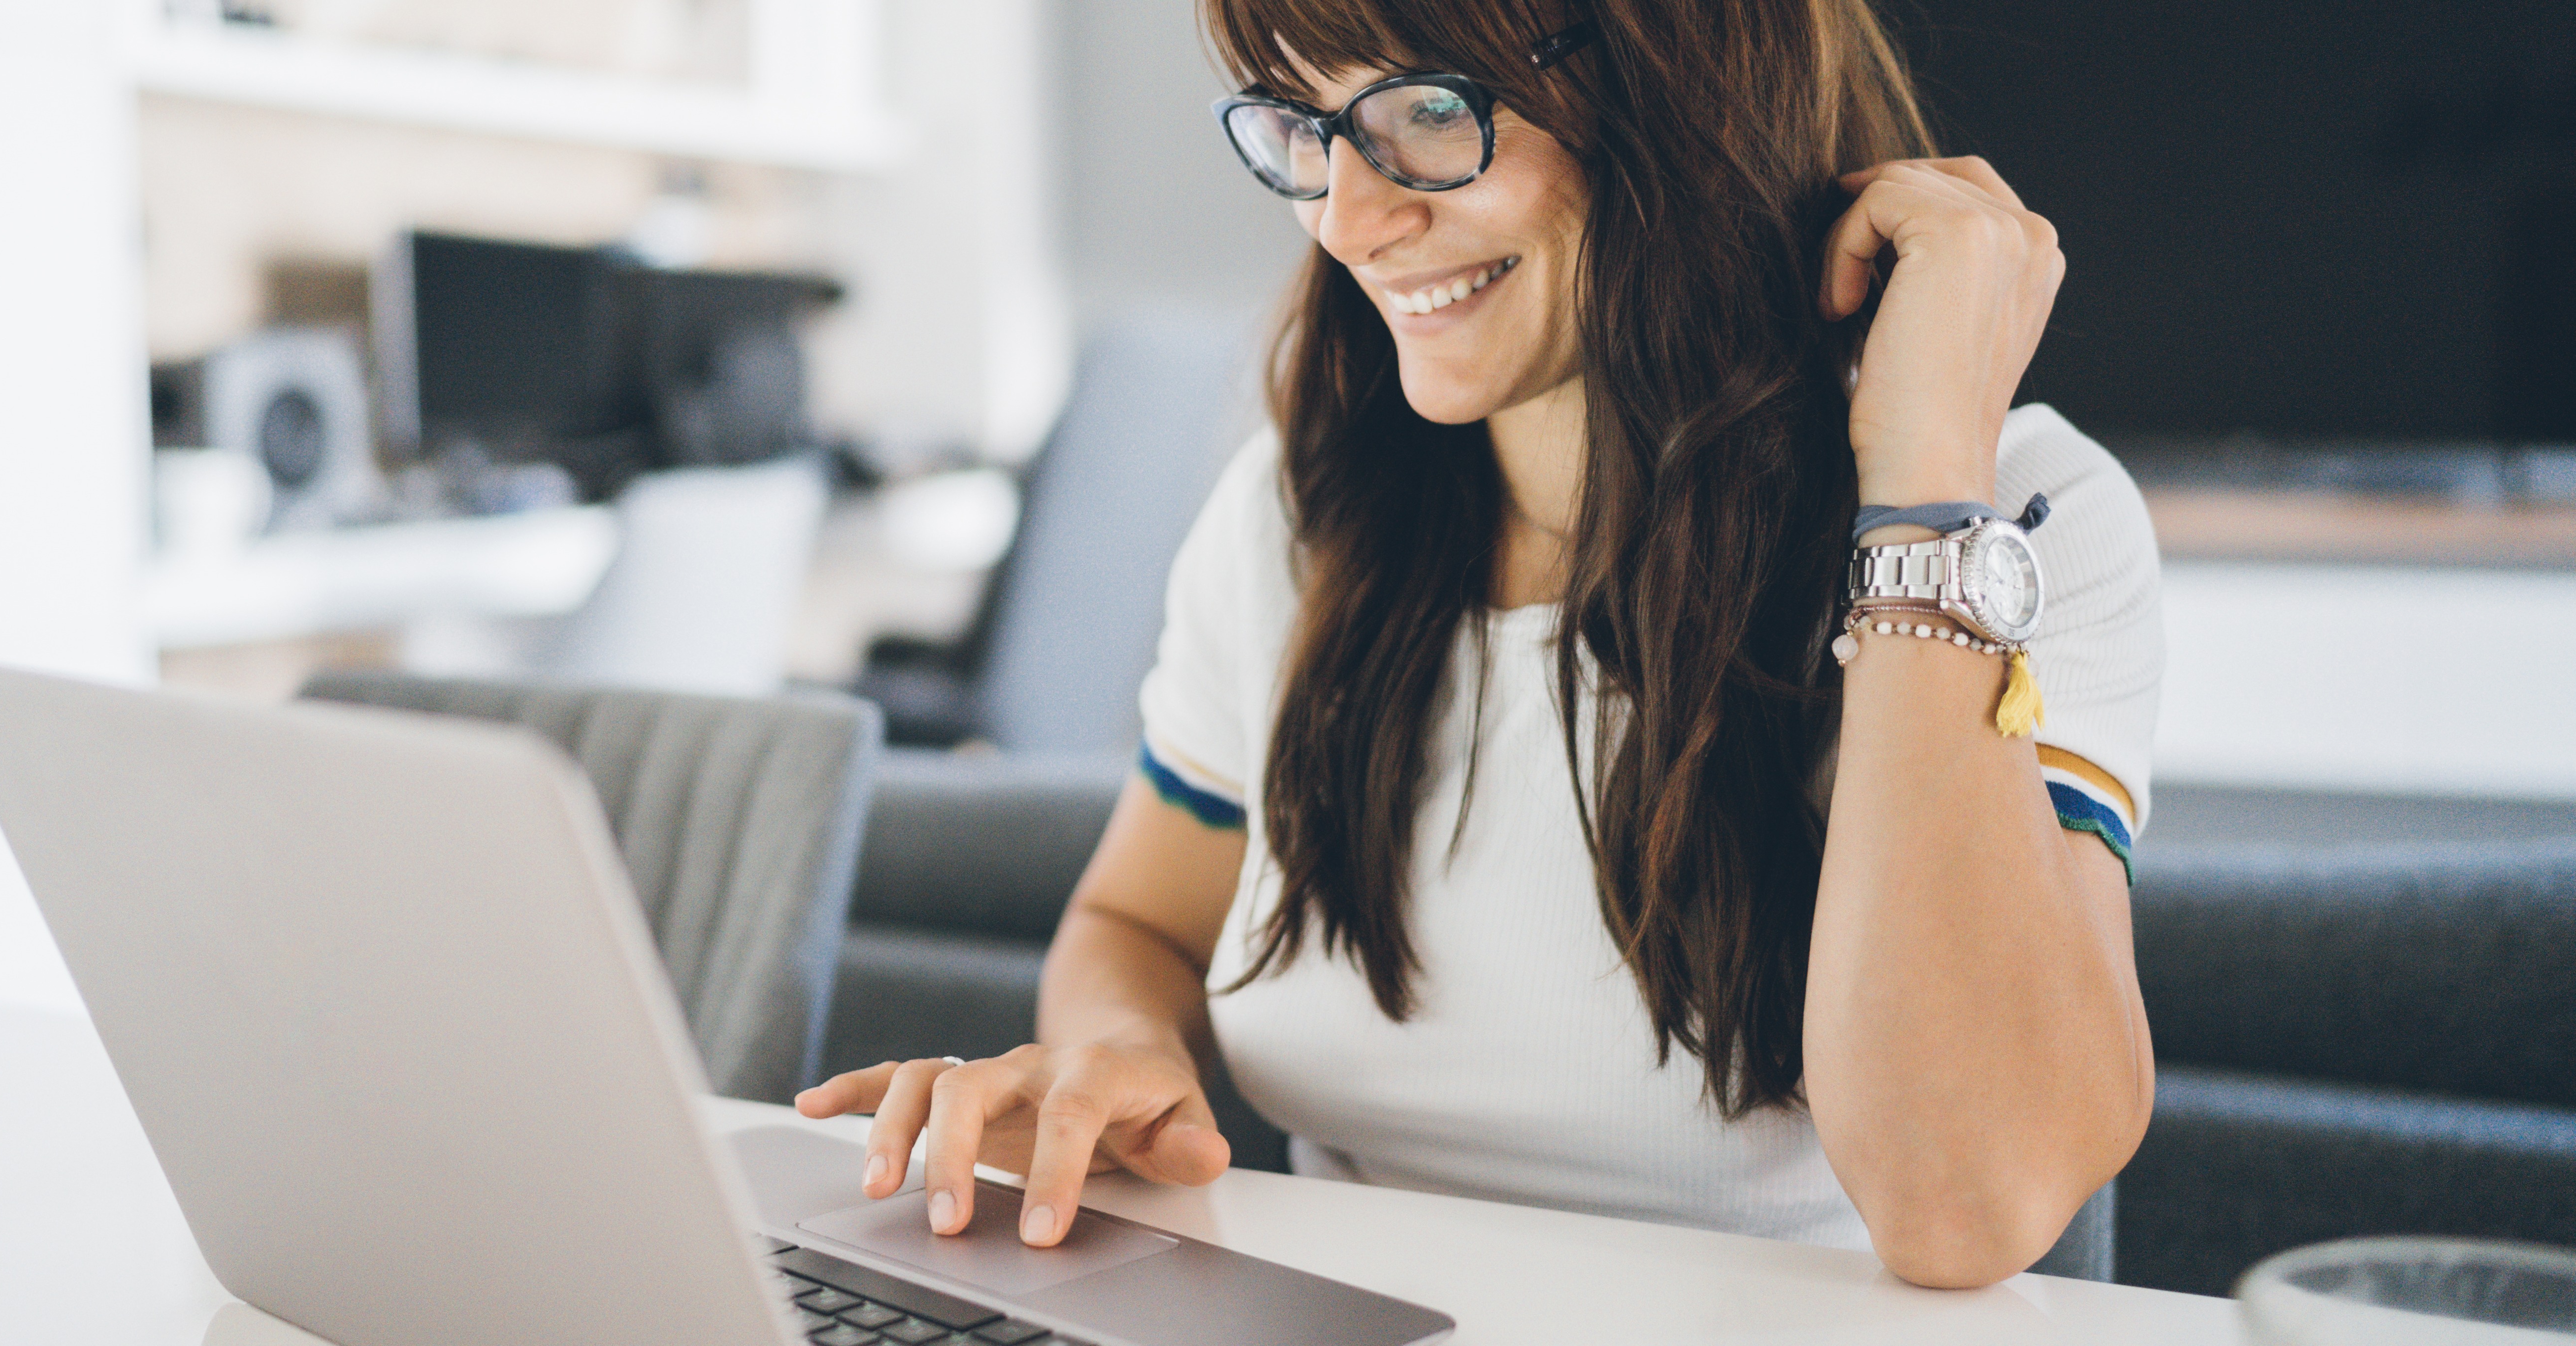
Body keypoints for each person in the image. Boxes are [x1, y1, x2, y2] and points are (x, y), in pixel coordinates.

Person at [801, 0, 2160, 1290]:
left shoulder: (2017, 528)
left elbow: (1967, 1203)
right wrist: (1114, 1053)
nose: (1349, 222)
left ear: (1685, 95)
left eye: (1432, 112)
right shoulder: (1300, 515)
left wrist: (1922, 481)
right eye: (1307, 129)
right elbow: (1135, 920)